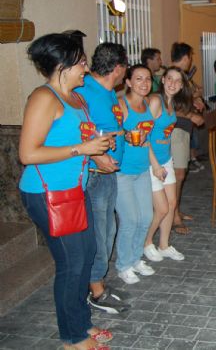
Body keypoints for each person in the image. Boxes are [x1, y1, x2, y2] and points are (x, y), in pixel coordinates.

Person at [19, 33, 113, 349]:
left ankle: (81, 323)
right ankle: (72, 338)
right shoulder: (43, 98)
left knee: (85, 257)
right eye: (82, 63)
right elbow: (27, 154)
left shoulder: (77, 97)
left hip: (75, 189)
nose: (85, 69)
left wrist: (99, 154)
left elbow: (83, 138)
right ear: (62, 64)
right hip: (47, 195)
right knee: (71, 264)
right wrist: (81, 149)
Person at [75, 42, 130, 314]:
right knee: (99, 233)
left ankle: (98, 281)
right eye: (125, 67)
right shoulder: (85, 91)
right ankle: (95, 290)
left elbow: (109, 127)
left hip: (109, 172)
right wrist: (99, 157)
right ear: (118, 68)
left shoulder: (108, 92)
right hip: (95, 173)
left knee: (108, 230)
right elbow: (80, 129)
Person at [115, 64, 157, 285]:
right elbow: (110, 134)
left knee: (146, 218)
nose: (144, 83)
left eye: (148, 79)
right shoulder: (121, 106)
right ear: (128, 82)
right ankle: (123, 265)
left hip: (142, 170)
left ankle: (135, 258)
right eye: (139, 79)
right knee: (130, 220)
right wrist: (125, 134)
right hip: (122, 172)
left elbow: (147, 138)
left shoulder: (148, 104)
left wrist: (155, 165)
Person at [143, 67, 190, 263]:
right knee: (161, 208)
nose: (173, 83)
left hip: (166, 159)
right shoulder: (155, 101)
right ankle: (145, 243)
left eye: (177, 81)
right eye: (169, 78)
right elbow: (144, 135)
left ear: (181, 85)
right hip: (152, 161)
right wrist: (155, 165)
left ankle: (164, 245)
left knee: (171, 205)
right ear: (162, 80)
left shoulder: (171, 104)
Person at [170, 43, 204, 234]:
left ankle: (176, 211)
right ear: (186, 57)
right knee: (178, 175)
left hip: (182, 130)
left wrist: (193, 103)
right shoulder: (173, 76)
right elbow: (170, 107)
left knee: (180, 176)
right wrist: (191, 115)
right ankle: (174, 217)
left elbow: (180, 102)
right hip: (176, 130)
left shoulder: (182, 77)